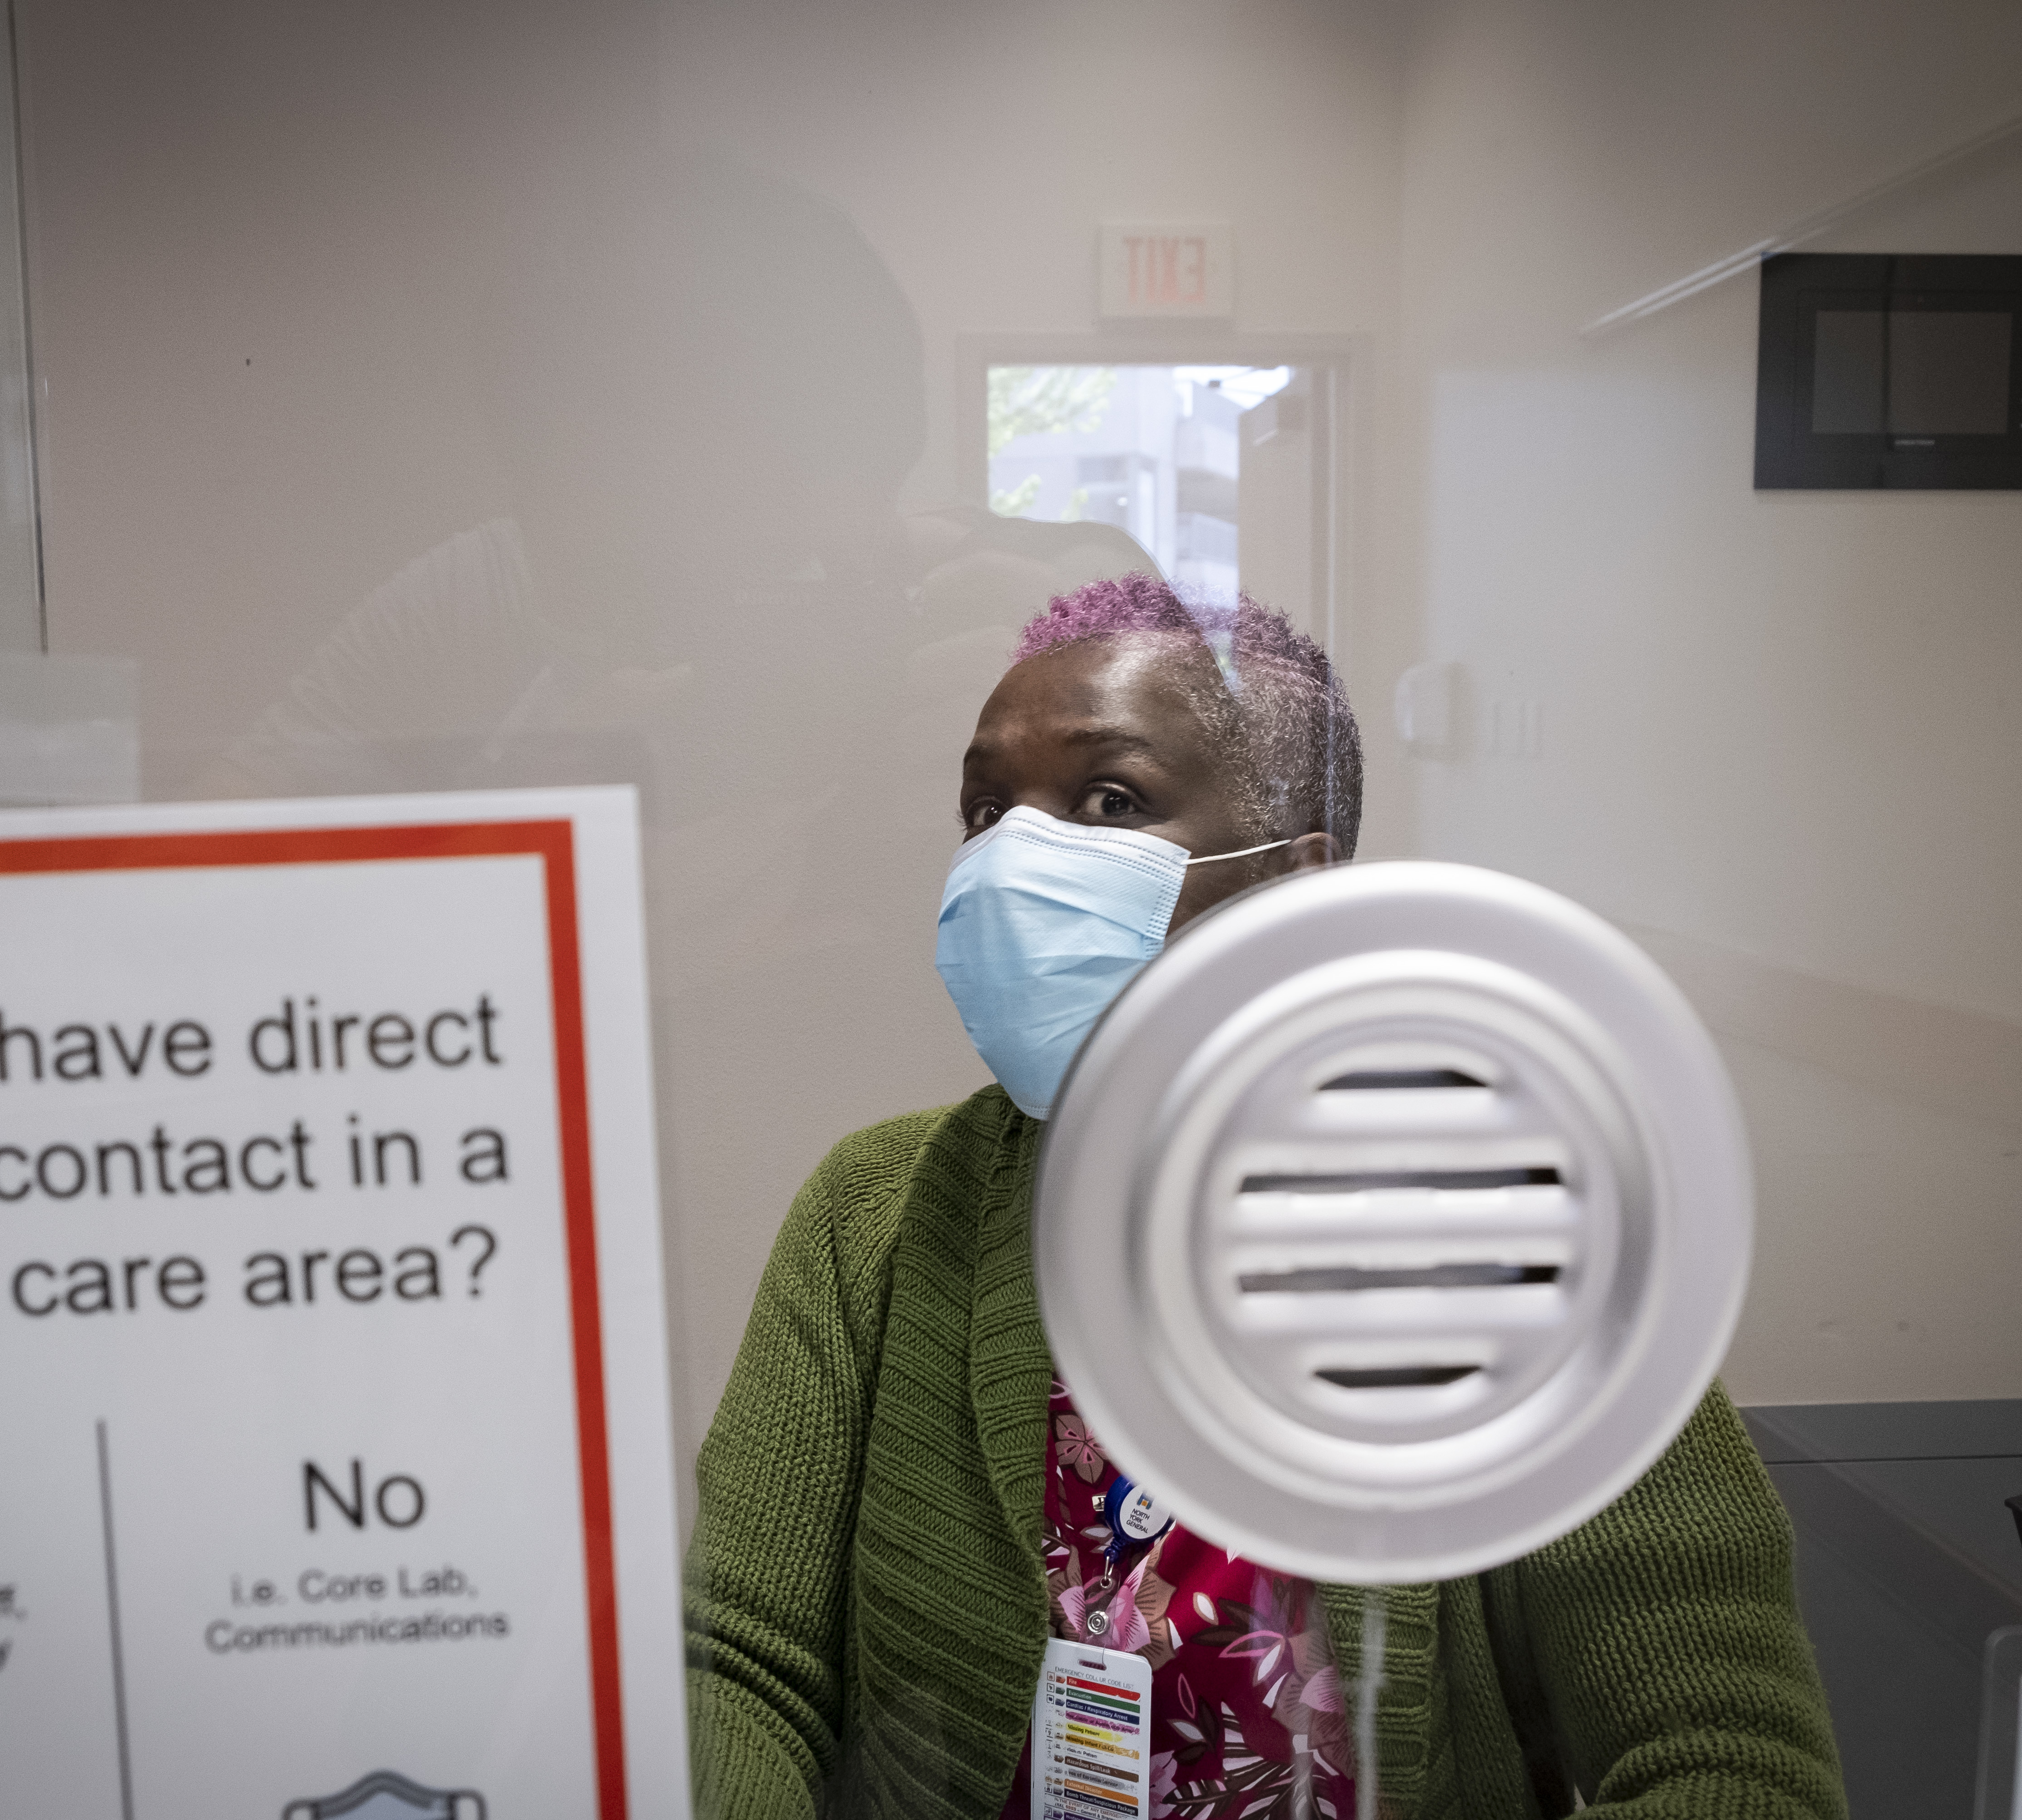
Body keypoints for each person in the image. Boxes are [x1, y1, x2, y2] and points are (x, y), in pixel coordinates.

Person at [681, 573, 1847, 1820]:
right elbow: (740, 1672)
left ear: (1296, 884)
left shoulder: (1516, 1242)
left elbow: (1729, 1765)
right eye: (986, 809)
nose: (1014, 860)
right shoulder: (876, 1215)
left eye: (1109, 800)